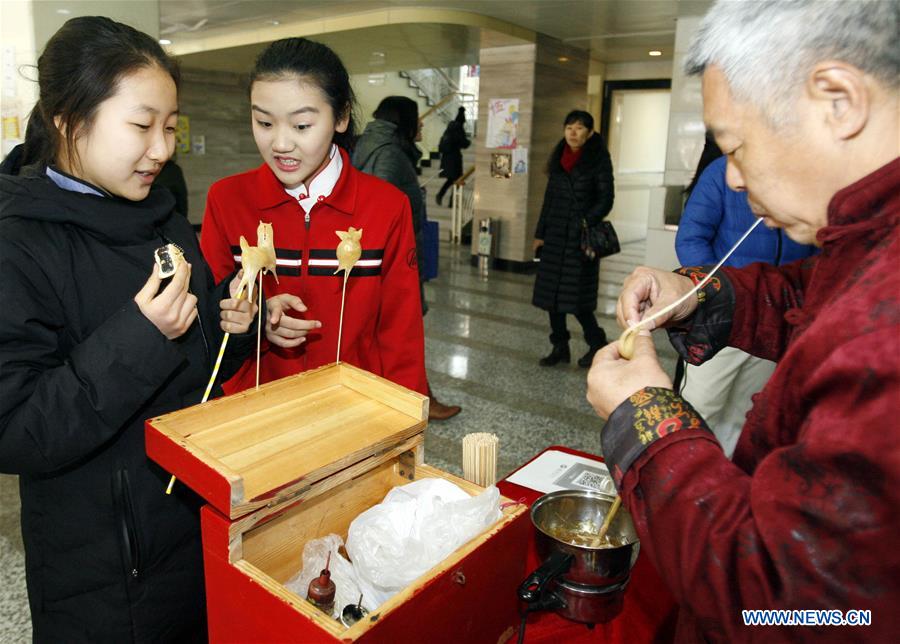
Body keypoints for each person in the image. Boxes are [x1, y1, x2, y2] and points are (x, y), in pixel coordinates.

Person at [586, 0, 899, 641]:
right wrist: (695, 292)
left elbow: (782, 605)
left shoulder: (885, 333)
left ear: (837, 101)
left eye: (736, 147)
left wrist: (645, 416)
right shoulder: (870, 243)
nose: (730, 177)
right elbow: (812, 300)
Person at [0, 17, 258, 641]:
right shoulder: (19, 242)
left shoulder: (161, 213)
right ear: (66, 118)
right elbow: (15, 430)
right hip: (107, 570)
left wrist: (233, 324)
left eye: (169, 127)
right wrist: (142, 335)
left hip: (193, 526)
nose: (162, 149)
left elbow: (192, 372)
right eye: (141, 126)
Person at [201, 38, 427, 397]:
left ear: (341, 117)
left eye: (302, 125)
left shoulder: (386, 206)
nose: (280, 143)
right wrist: (259, 323)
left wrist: (405, 422)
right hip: (254, 409)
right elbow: (210, 316)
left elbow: (402, 334)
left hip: (354, 409)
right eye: (264, 122)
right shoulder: (228, 200)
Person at [675, 155, 818, 457]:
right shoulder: (723, 173)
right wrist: (716, 292)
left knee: (747, 408)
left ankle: (724, 480)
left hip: (778, 319)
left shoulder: (805, 172)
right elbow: (691, 237)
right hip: (724, 314)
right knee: (701, 405)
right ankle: (681, 476)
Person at [353, 96, 461, 420]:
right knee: (403, 332)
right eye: (418, 118)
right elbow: (381, 207)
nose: (423, 124)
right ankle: (418, 400)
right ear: (404, 121)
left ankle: (417, 397)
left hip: (381, 257)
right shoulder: (388, 153)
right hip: (392, 259)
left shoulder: (373, 145)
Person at [532, 110, 614, 368]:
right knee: (552, 299)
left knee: (578, 300)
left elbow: (606, 198)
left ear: (589, 133)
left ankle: (597, 343)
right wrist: (539, 233)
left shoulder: (598, 159)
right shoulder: (559, 157)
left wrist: (585, 221)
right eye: (569, 127)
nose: (573, 133)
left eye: (579, 128)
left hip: (580, 239)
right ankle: (560, 346)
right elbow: (549, 199)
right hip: (555, 236)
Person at [435, 106, 470, 207]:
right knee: (458, 179)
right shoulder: (459, 128)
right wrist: (468, 142)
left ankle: (443, 196)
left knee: (452, 179)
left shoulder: (450, 127)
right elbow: (463, 142)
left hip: (446, 158)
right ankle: (451, 202)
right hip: (454, 158)